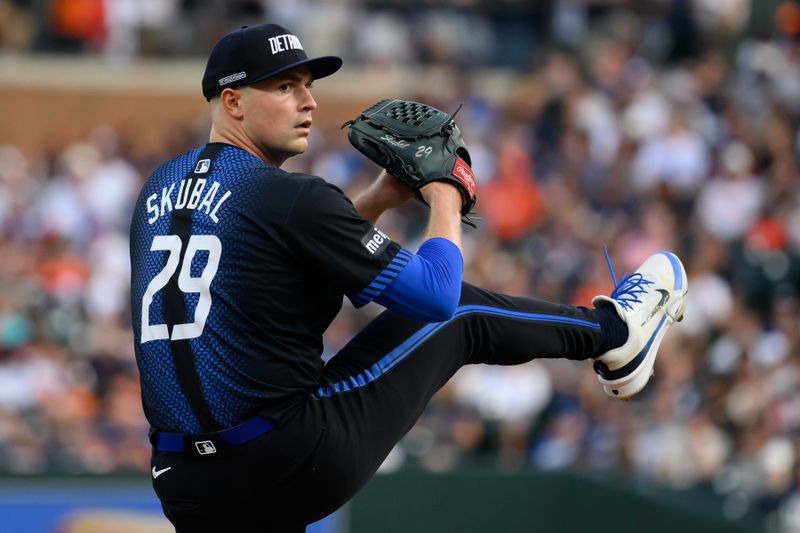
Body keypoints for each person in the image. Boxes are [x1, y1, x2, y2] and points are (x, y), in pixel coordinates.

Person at [129, 23, 688, 532]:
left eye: (307, 84)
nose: (309, 100)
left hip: (183, 483)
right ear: (232, 101)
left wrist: (374, 201)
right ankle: (617, 334)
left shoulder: (157, 190)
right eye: (285, 86)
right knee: (464, 317)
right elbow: (437, 298)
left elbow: (281, 286)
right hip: (289, 457)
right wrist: (443, 196)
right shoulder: (292, 197)